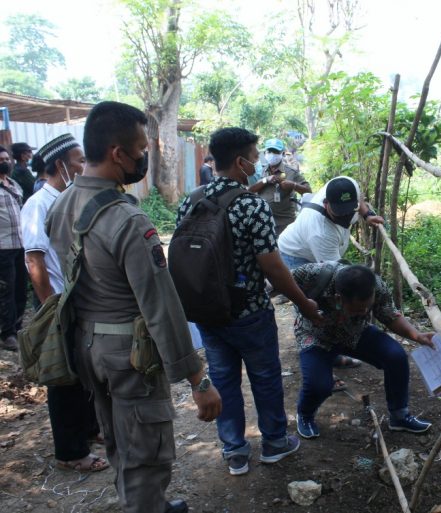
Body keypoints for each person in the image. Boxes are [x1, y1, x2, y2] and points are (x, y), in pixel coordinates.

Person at [46, 101, 222, 513]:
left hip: (86, 346)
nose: (145, 156)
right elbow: (160, 304)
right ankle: (146, 504)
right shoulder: (127, 219)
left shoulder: (62, 204)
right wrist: (198, 379)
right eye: (141, 150)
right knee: (146, 452)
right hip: (128, 355)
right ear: (117, 153)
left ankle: (146, 504)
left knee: (117, 437)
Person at [176, 127, 323, 477]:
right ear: (241, 162)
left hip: (207, 311)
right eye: (255, 158)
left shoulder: (192, 199)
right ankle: (273, 442)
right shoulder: (251, 205)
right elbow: (272, 266)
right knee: (266, 377)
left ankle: (235, 451)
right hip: (250, 312)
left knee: (224, 380)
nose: (259, 164)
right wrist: (304, 303)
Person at [20, 133, 107, 473]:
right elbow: (34, 260)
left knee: (81, 369)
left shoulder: (69, 198)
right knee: (64, 380)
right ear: (60, 165)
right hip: (60, 304)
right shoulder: (38, 204)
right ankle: (70, 452)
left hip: (77, 301)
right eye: (79, 161)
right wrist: (51, 307)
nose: (84, 167)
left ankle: (89, 430)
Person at [292, 263, 435, 439]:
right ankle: (305, 415)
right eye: (359, 309)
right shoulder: (315, 274)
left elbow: (389, 315)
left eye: (368, 306)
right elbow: (279, 280)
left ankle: (399, 416)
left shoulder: (376, 285)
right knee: (319, 385)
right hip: (315, 336)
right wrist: (303, 303)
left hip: (354, 332)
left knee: (396, 356)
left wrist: (417, 335)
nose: (365, 311)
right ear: (339, 298)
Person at [278, 175, 384, 373]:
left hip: (315, 250)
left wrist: (367, 214)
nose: (346, 217)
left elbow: (359, 200)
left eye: (350, 210)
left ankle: (328, 355)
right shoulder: (320, 231)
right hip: (295, 254)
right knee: (313, 308)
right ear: (326, 203)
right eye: (339, 212)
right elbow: (337, 278)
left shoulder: (346, 184)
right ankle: (319, 363)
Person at [247, 138, 311, 237]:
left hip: (285, 224)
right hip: (264, 222)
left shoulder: (290, 171)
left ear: (282, 153)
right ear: (265, 153)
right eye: (269, 151)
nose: (272, 154)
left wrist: (293, 185)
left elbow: (308, 191)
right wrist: (266, 180)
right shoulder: (261, 171)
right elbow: (251, 190)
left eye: (276, 152)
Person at [0, 145, 25, 352]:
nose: (5, 161)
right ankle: (7, 333)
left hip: (19, 243)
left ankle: (17, 327)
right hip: (3, 246)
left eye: (7, 158)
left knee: (20, 288)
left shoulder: (14, 184)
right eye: (1, 159)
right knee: (6, 290)